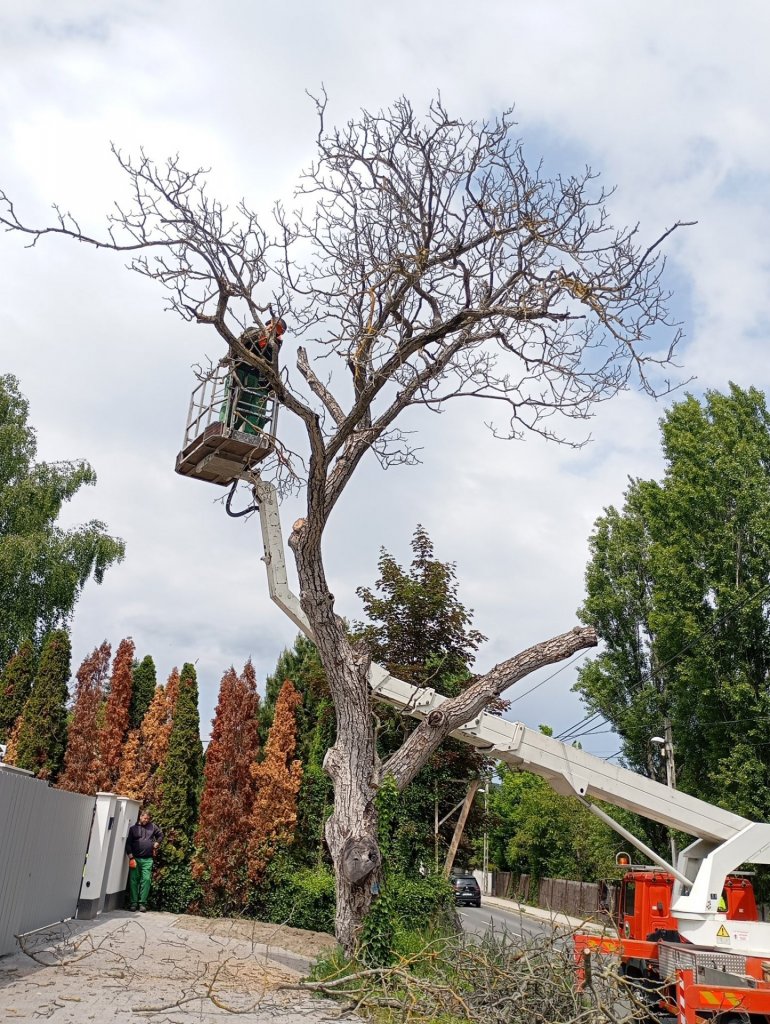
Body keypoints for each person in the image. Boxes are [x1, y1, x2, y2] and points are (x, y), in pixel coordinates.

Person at [225, 317, 286, 434]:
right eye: (273, 327)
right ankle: (225, 425)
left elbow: (270, 361)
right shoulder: (252, 331)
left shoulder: (274, 346)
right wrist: (227, 359)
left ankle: (239, 430)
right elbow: (236, 345)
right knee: (231, 399)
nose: (273, 331)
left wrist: (265, 345)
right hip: (238, 369)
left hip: (254, 376)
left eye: (278, 331)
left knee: (246, 405)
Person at [125, 810, 163, 912]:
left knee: (146, 880)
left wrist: (157, 843)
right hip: (135, 859)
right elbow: (128, 844)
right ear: (140, 817)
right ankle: (133, 903)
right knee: (133, 881)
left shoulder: (153, 827)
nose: (146, 820)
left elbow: (160, 835)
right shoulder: (133, 829)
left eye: (148, 819)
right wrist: (131, 857)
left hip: (148, 859)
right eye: (145, 818)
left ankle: (142, 904)